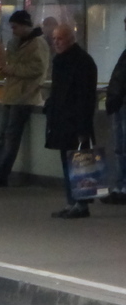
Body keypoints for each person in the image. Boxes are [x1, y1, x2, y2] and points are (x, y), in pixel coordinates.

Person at [0, 10, 50, 186]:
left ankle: (0, 174)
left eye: (15, 27)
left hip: (24, 96)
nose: (12, 30)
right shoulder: (18, 42)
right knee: (4, 136)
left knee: (10, 137)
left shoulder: (38, 44)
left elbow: (37, 69)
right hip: (13, 94)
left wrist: (10, 69)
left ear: (24, 26)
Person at [46, 24, 98, 219]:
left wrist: (83, 124)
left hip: (76, 121)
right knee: (68, 162)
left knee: (80, 163)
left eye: (59, 39)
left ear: (70, 39)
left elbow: (86, 97)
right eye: (54, 39)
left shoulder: (83, 62)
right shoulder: (60, 61)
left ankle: (81, 203)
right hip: (62, 120)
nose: (56, 42)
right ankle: (72, 201)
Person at [101, 15, 126, 204]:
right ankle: (120, 186)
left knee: (121, 148)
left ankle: (121, 187)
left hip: (120, 104)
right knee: (119, 148)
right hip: (119, 104)